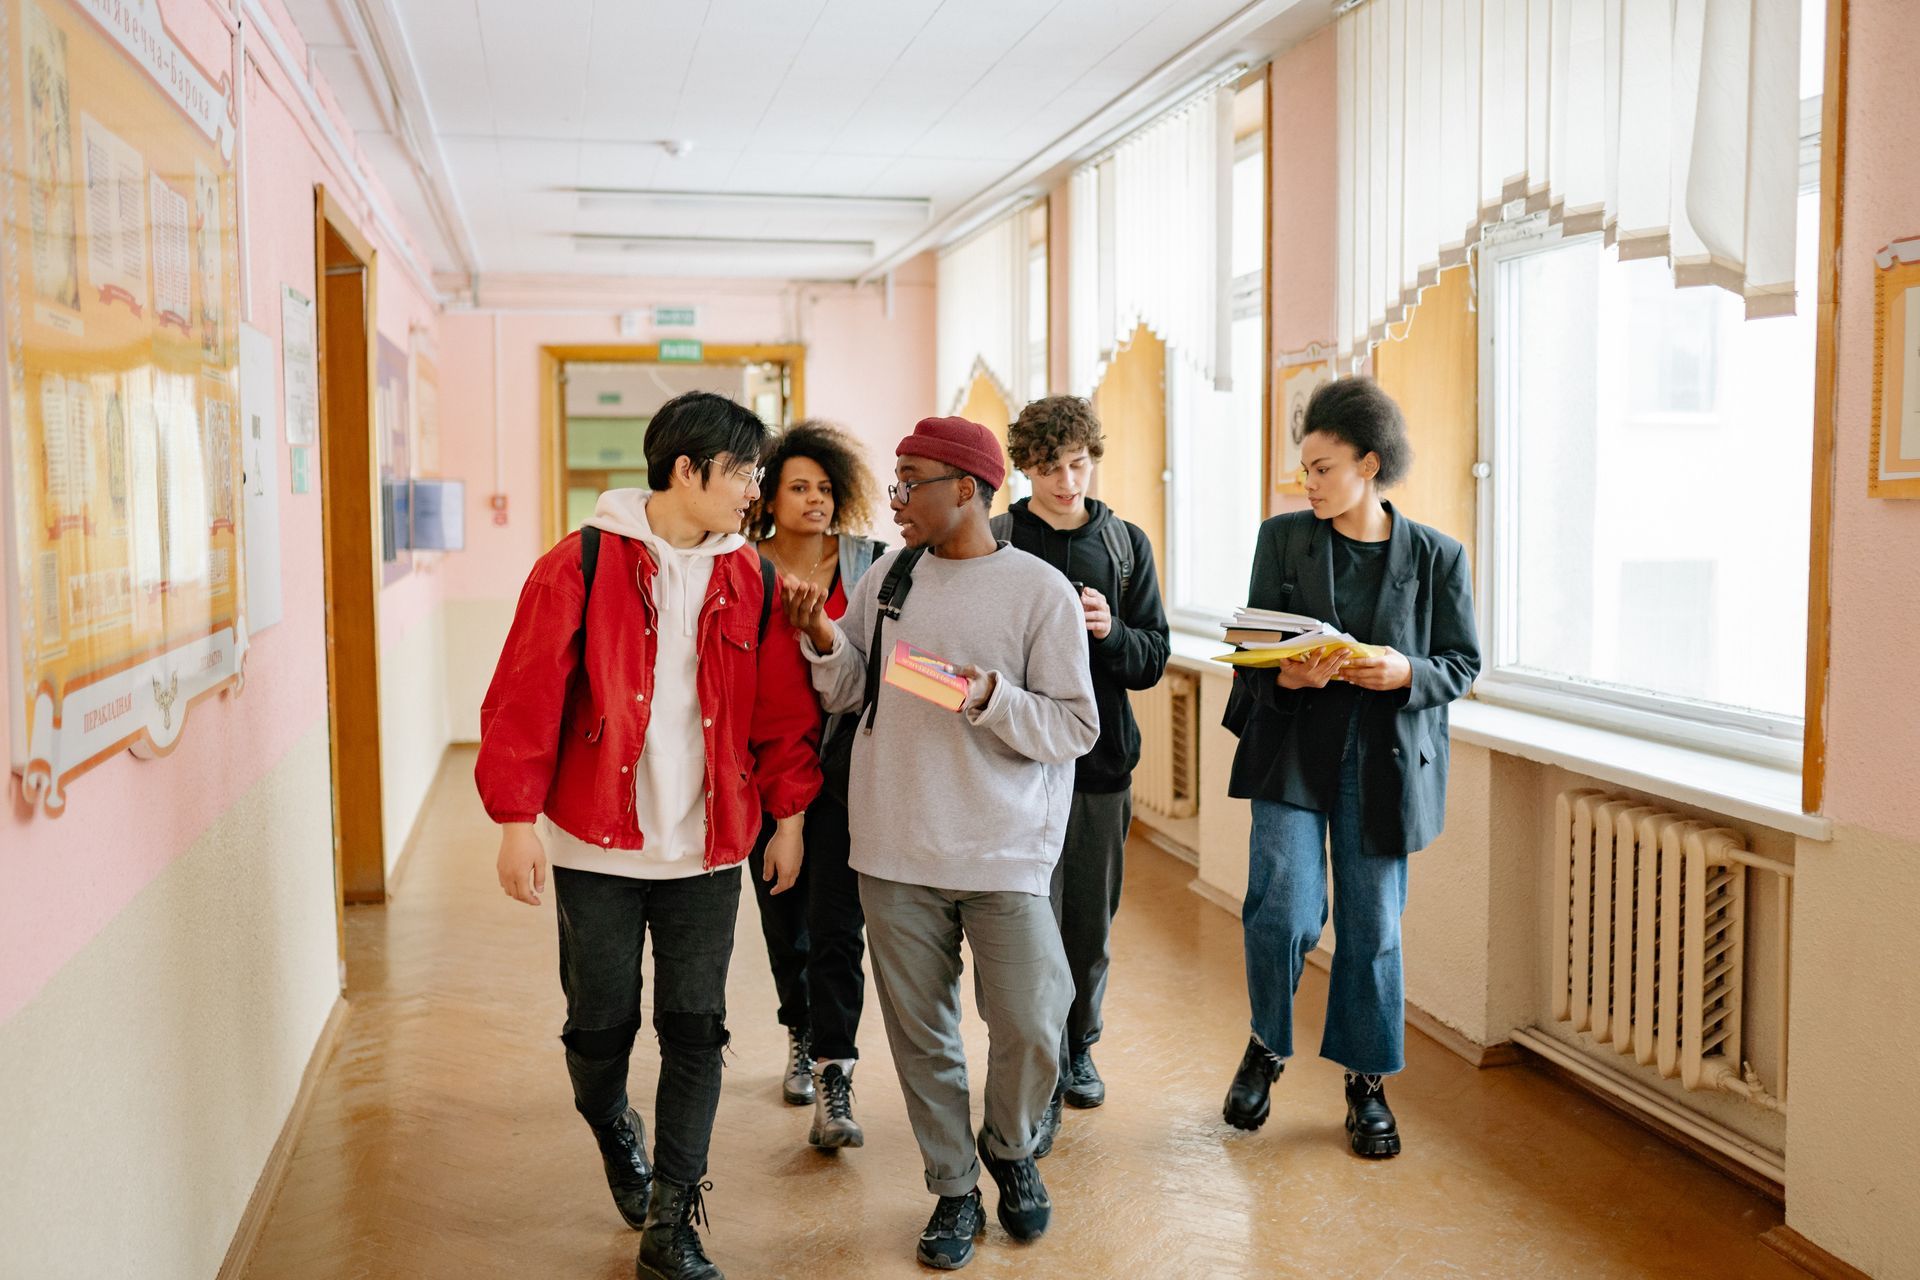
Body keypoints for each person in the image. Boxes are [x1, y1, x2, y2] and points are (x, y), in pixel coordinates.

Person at [475, 391, 822, 1280]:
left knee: (695, 1030)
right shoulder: (579, 565)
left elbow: (781, 711)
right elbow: (524, 699)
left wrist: (788, 817)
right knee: (600, 1030)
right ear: (686, 470)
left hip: (708, 847)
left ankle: (674, 1217)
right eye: (744, 472)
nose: (755, 491)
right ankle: (612, 1125)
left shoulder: (751, 577)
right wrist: (516, 821)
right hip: (596, 844)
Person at [784, 416, 1098, 1271]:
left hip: (1004, 850)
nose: (894, 502)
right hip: (895, 848)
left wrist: (987, 696)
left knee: (1036, 1020)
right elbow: (851, 688)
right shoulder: (890, 577)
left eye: (910, 482)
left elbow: (1075, 726)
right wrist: (819, 635)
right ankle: (955, 1188)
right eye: (894, 482)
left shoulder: (1041, 593)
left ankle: (1008, 1147)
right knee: (923, 1035)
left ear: (966, 488)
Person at [1221, 377, 1479, 1161]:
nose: (1311, 483)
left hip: (1387, 763)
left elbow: (1462, 663)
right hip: (1295, 751)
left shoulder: (1437, 555)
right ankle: (1268, 1041)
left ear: (1371, 463)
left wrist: (1404, 672)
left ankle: (1366, 1082)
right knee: (1285, 911)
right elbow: (1250, 644)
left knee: (1372, 931)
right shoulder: (1283, 538)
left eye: (1324, 467)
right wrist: (1284, 674)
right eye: (1305, 469)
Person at [995, 395, 1169, 1139]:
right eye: (1048, 467)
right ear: (1023, 469)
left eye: (1078, 463)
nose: (1067, 481)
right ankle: (1032, 1055)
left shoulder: (1125, 543)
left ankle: (1079, 1048)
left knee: (1088, 925)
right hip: (1012, 766)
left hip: (1099, 766)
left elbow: (1152, 657)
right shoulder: (999, 539)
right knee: (1022, 922)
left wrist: (1110, 630)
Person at [743, 419, 887, 1149]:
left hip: (849, 775)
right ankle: (798, 1031)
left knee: (838, 928)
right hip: (765, 774)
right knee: (784, 920)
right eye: (799, 487)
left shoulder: (869, 564)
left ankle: (835, 1070)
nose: (816, 501)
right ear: (768, 497)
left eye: (826, 489)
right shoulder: (741, 567)